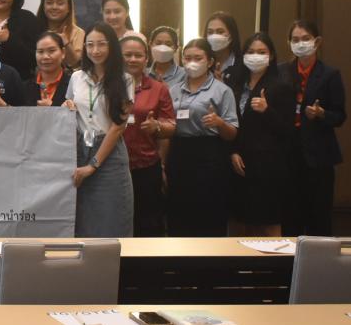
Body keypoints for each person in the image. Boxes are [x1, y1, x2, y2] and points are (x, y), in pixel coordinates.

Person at [277, 19, 347, 237]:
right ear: (289, 43)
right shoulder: (281, 72)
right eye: (295, 39)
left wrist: (321, 113)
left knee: (319, 216)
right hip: (289, 154)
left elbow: (340, 116)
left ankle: (321, 258)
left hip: (318, 156)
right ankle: (290, 258)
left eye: (305, 38)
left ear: (317, 42)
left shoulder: (330, 75)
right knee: (290, 216)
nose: (301, 43)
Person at [64, 23, 134, 237]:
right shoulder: (76, 77)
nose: (95, 50)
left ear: (112, 46)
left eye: (101, 44)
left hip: (109, 154)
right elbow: (69, 107)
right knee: (82, 222)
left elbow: (118, 127)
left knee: (112, 222)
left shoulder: (125, 79)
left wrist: (93, 165)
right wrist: (67, 106)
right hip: (80, 150)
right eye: (90, 45)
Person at [166, 38, 239, 237]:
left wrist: (219, 122)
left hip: (209, 155)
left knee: (209, 213)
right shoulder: (173, 90)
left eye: (198, 58)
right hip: (179, 153)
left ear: (210, 61)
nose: (192, 62)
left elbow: (232, 133)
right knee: (179, 212)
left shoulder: (222, 90)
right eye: (187, 58)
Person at [227, 32, 293, 237]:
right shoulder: (235, 85)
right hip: (239, 163)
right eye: (251, 51)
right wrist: (232, 151)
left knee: (267, 223)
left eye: (261, 52)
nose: (255, 56)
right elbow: (231, 122)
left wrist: (267, 110)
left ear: (271, 56)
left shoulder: (281, 86)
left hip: (268, 167)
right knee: (239, 224)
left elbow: (287, 130)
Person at [120, 33, 176, 237]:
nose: (132, 59)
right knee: (117, 221)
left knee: (148, 224)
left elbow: (171, 126)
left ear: (146, 59)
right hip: (114, 167)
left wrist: (157, 126)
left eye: (138, 55)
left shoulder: (158, 89)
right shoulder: (107, 87)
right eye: (127, 55)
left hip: (146, 167)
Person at [37, 0, 84, 68]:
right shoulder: (34, 29)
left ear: (69, 8)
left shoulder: (78, 33)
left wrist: (66, 43)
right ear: (43, 7)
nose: (54, 7)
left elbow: (76, 64)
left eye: (60, 3)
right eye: (49, 3)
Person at [24, 31, 71, 107]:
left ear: (63, 52)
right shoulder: (25, 87)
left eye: (51, 51)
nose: (45, 56)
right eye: (40, 52)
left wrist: (52, 107)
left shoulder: (73, 85)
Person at [204, 10, 244, 84]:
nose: (214, 36)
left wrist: (222, 87)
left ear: (231, 35)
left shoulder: (243, 64)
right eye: (210, 32)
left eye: (220, 32)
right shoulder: (202, 62)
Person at [147, 25, 186, 90]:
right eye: (158, 43)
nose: (162, 48)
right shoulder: (143, 74)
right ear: (150, 44)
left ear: (176, 48)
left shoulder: (185, 75)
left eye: (168, 44)